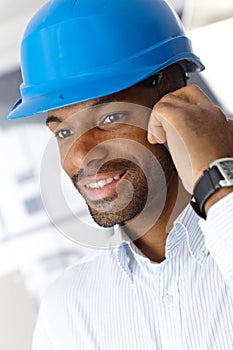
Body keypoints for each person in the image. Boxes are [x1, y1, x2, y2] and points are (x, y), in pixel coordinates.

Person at [8, 0, 233, 349]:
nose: (81, 155)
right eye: (63, 132)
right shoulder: (67, 309)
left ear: (179, 102)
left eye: (110, 118)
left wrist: (218, 181)